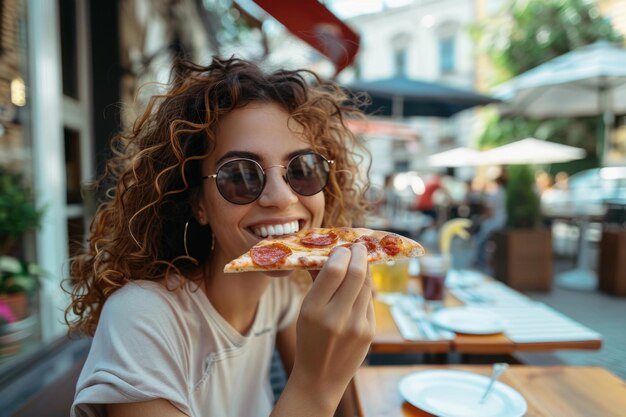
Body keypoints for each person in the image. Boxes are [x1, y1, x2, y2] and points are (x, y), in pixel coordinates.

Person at [66, 57, 375, 417]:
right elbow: (319, 390)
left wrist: (340, 354)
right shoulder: (140, 318)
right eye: (240, 174)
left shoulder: (281, 290)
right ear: (198, 203)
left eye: (302, 169)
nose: (282, 197)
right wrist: (315, 384)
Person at [473, 169, 507, 270]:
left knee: (480, 240)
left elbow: (489, 211)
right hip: (502, 221)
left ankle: (480, 261)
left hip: (493, 222)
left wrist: (482, 218)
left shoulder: (494, 192)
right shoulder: (504, 192)